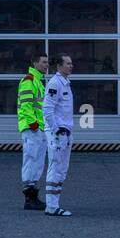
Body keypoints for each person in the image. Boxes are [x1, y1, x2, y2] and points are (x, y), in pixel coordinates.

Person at [41, 54, 75, 217]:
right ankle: (52, 206)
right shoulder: (55, 83)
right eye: (68, 63)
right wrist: (55, 130)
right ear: (59, 66)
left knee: (62, 169)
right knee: (56, 168)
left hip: (65, 133)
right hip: (59, 134)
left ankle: (54, 205)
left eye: (71, 63)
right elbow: (47, 109)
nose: (71, 66)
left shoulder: (65, 83)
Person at [17, 52, 49, 211]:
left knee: (37, 162)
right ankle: (29, 199)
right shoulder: (29, 80)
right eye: (43, 62)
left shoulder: (38, 81)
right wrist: (34, 124)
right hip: (32, 128)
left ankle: (33, 196)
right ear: (35, 64)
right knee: (31, 160)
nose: (46, 65)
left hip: (39, 128)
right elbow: (26, 106)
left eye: (47, 62)